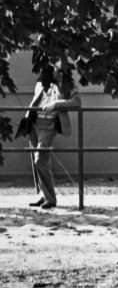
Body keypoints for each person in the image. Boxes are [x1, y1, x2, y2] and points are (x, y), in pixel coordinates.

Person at [25, 66, 81, 209]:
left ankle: (50, 199)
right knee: (39, 162)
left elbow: (76, 102)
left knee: (40, 160)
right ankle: (44, 195)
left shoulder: (66, 84)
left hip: (49, 126)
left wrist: (56, 104)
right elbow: (35, 101)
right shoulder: (40, 83)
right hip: (34, 124)